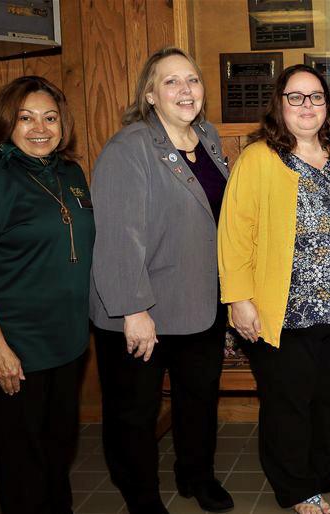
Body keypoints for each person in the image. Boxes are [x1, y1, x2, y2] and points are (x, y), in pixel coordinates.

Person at [218, 64, 330, 514]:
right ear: (279, 105)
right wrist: (239, 299)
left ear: (328, 104)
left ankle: (328, 470)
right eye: (296, 97)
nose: (308, 106)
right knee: (290, 403)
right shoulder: (258, 158)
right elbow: (234, 233)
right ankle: (294, 484)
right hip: (286, 309)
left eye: (316, 97)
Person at [89, 47, 233, 514]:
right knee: (135, 414)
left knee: (198, 401)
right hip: (140, 310)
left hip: (199, 304)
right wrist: (134, 311)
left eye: (191, 80)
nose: (185, 90)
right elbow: (117, 236)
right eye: (170, 82)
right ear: (150, 95)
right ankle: (141, 496)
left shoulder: (208, 137)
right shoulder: (129, 147)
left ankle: (197, 476)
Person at [0, 76, 94, 514]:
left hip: (69, 345)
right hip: (16, 350)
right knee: (23, 465)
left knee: (58, 455)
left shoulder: (71, 173)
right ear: (7, 122)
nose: (41, 128)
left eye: (50, 117)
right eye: (26, 117)